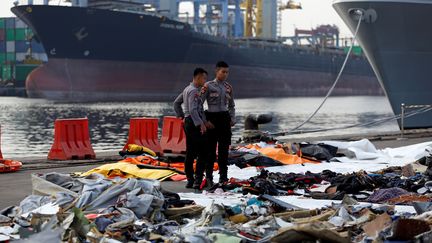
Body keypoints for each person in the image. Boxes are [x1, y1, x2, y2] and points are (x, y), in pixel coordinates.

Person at [173, 68, 209, 189]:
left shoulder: (186, 89)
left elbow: (176, 103)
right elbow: (194, 110)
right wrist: (201, 124)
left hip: (188, 122)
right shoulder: (193, 91)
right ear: (198, 77)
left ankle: (190, 180)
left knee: (190, 152)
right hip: (194, 123)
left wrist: (181, 116)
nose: (205, 81)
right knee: (203, 152)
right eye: (204, 78)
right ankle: (197, 181)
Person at [203, 61, 235, 184]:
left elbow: (232, 105)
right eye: (223, 72)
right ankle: (209, 177)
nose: (225, 74)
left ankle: (223, 177)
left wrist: (232, 118)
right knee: (210, 151)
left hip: (224, 119)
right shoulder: (208, 86)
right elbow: (198, 105)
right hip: (212, 119)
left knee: (223, 151)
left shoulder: (228, 87)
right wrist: (205, 121)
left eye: (227, 72)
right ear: (217, 71)